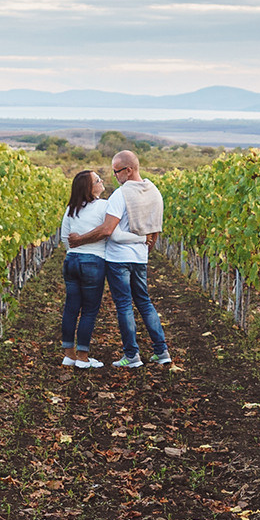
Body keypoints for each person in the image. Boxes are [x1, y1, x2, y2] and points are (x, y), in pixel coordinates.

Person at [99, 149, 170, 368]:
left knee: (124, 306)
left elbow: (109, 230)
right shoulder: (154, 191)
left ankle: (131, 356)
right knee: (145, 302)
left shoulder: (121, 195)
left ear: (128, 170)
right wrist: (145, 246)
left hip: (118, 258)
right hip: (140, 258)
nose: (115, 176)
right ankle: (162, 351)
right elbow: (155, 229)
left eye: (116, 171)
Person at [60, 168, 118, 369]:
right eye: (97, 180)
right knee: (89, 311)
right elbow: (109, 232)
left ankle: (69, 355)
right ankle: (83, 358)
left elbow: (64, 238)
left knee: (71, 307)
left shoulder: (71, 209)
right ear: (89, 188)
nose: (102, 182)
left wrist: (75, 249)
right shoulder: (104, 206)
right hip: (93, 262)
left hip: (71, 261)